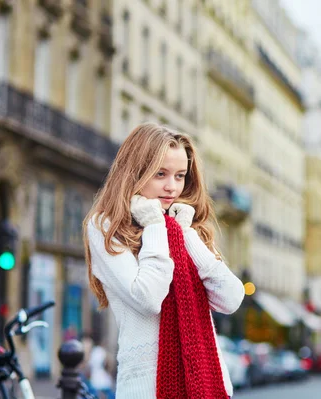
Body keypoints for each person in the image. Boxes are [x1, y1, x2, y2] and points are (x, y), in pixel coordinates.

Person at [83, 123, 245, 398]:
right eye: (161, 174)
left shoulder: (185, 226)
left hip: (208, 385)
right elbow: (148, 298)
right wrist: (156, 227)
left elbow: (231, 298)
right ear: (135, 172)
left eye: (180, 176)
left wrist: (185, 236)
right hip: (147, 390)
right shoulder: (106, 226)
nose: (172, 187)